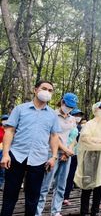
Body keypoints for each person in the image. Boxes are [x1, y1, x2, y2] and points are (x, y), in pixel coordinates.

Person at [0, 80, 61, 216]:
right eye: (44, 88)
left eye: (50, 90)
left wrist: (54, 156)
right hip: (17, 155)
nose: (47, 92)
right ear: (35, 90)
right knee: (10, 194)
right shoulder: (20, 109)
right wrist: (5, 154)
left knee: (33, 197)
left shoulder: (52, 114)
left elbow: (54, 136)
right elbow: (9, 131)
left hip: (39, 158)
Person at [36, 93, 78, 216]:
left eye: (71, 107)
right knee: (45, 184)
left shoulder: (72, 119)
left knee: (61, 184)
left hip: (67, 155)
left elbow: (74, 135)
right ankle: (38, 211)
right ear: (62, 102)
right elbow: (52, 136)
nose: (68, 108)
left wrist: (68, 151)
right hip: (52, 153)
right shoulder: (51, 114)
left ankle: (56, 210)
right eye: (67, 105)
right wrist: (64, 149)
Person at [74, 102, 101, 216]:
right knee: (87, 185)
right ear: (96, 110)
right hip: (90, 157)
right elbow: (85, 138)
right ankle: (84, 212)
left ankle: (95, 211)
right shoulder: (90, 124)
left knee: (99, 185)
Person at [63, 108, 85, 205]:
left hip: (76, 155)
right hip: (65, 152)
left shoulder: (82, 129)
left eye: (79, 116)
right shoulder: (68, 126)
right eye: (76, 115)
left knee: (71, 176)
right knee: (62, 175)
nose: (78, 117)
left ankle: (66, 196)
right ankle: (59, 195)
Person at [0, 114, 9, 190]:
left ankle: (2, 185)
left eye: (7, 119)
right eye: (4, 119)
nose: (5, 120)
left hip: (7, 151)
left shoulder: (11, 130)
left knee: (4, 170)